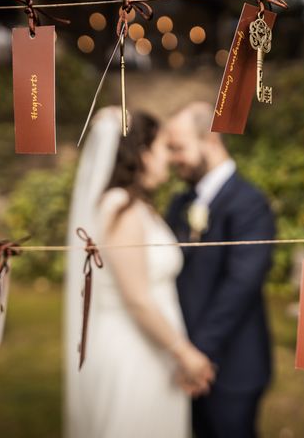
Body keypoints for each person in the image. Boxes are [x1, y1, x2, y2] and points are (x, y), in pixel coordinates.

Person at [65, 107, 215, 438]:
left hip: (152, 344)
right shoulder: (121, 208)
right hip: (132, 351)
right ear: (142, 153)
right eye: (164, 148)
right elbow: (137, 299)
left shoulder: (137, 207)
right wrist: (185, 353)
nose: (169, 158)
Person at [166, 102, 276, 438]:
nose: (172, 159)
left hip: (233, 365)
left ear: (210, 140)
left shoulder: (250, 204)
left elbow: (241, 285)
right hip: (183, 360)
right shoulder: (179, 204)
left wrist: (198, 354)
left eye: (178, 148)